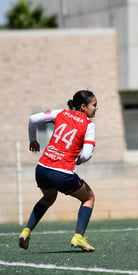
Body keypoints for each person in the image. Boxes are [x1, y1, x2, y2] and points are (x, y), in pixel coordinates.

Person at [18, 90, 98, 252]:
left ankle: (26, 231)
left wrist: (33, 139)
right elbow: (87, 154)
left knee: (48, 198)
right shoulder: (89, 125)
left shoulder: (60, 113)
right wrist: (78, 161)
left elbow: (33, 119)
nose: (97, 108)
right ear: (83, 107)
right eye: (94, 105)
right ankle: (79, 237)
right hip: (62, 172)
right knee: (89, 197)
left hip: (42, 169)